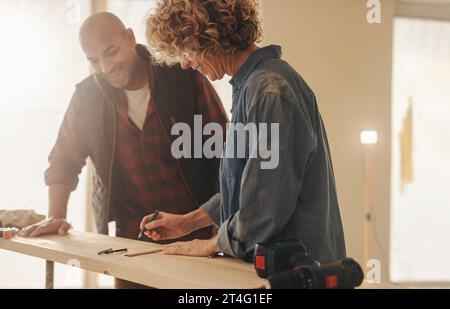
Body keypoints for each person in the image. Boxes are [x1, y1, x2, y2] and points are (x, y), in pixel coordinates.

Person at [19, 12, 228, 288]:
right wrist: (56, 216)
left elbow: (228, 153)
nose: (105, 67)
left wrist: (229, 225)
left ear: (130, 38)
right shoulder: (86, 98)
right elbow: (63, 162)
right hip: (131, 246)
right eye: (94, 61)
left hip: (198, 238)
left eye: (111, 52)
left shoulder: (183, 75)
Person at [141, 0, 346, 263]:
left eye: (185, 51)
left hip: (297, 269)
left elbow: (265, 208)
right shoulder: (251, 86)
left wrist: (209, 245)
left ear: (206, 37)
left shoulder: (269, 92)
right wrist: (187, 223)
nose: (185, 64)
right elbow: (247, 185)